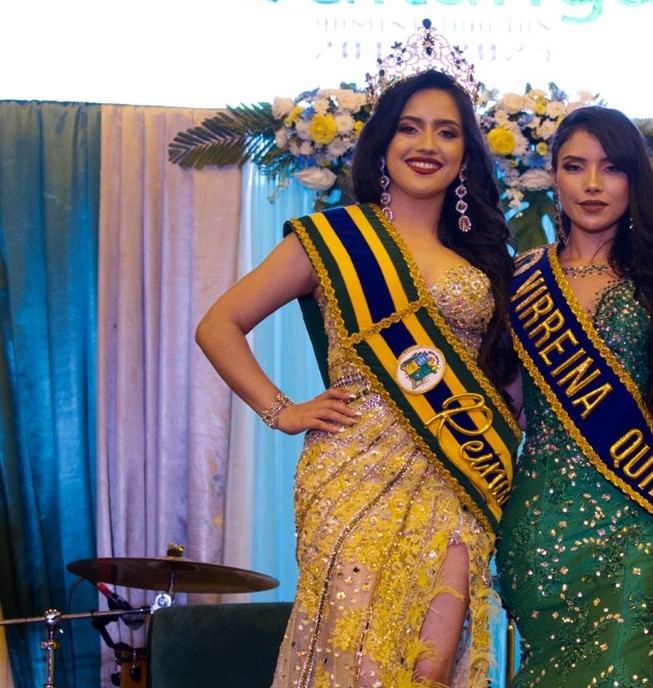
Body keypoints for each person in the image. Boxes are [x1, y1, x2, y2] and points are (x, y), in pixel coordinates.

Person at [195, 23, 521, 688]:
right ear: (383, 143)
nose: (427, 144)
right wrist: (281, 410)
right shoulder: (331, 240)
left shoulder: (484, 256)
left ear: (466, 154)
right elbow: (219, 324)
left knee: (434, 667)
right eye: (410, 127)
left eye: (447, 131)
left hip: (457, 470)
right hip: (354, 471)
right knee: (358, 659)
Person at [496, 106, 653, 688]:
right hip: (539, 526)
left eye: (611, 168)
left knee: (634, 667)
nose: (593, 184)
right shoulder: (520, 281)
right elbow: (507, 407)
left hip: (641, 517)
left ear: (635, 180)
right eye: (575, 167)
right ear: (553, 177)